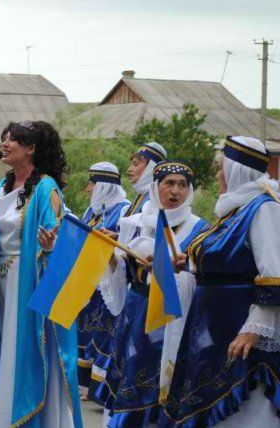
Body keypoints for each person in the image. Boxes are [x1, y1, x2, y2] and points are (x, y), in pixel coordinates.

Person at [0, 120, 82, 427]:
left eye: (13, 140)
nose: (5, 144)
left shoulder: (46, 187)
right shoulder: (0, 187)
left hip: (28, 283)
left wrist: (50, 246)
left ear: (31, 149)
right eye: (4, 138)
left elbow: (56, 236)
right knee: (4, 351)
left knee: (25, 355)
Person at [160, 136, 280, 427]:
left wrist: (253, 330)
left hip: (238, 327)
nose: (217, 175)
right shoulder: (233, 210)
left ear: (236, 170)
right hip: (211, 327)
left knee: (244, 410)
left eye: (220, 168)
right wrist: (188, 264)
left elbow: (273, 274)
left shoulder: (263, 208)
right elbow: (227, 260)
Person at [95, 160, 208, 427]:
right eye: (169, 183)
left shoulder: (199, 229)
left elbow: (201, 274)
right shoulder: (134, 223)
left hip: (171, 315)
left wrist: (171, 269)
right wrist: (109, 252)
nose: (175, 191)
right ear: (156, 187)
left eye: (183, 185)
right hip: (137, 311)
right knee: (132, 375)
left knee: (161, 380)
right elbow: (121, 269)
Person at [76, 162, 130, 392]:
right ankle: (89, 383)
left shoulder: (124, 209)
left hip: (110, 282)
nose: (88, 189)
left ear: (104, 186)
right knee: (88, 332)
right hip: (89, 283)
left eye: (92, 184)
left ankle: (101, 388)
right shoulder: (92, 211)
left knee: (105, 335)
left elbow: (125, 245)